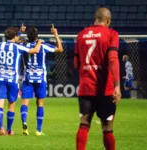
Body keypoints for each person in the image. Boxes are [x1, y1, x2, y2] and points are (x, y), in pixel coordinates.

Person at [74, 7, 121, 150]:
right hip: (105, 89)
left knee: (84, 123)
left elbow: (76, 63)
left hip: (86, 88)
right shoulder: (111, 34)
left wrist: (88, 71)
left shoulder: (81, 35)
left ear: (95, 18)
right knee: (107, 126)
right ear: (107, 20)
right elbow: (113, 59)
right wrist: (117, 85)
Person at [0, 26, 43, 135]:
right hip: (12, 80)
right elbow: (35, 50)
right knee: (11, 104)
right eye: (18, 36)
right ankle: (8, 130)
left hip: (0, 79)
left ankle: (0, 127)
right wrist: (39, 42)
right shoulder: (18, 47)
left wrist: (19, 33)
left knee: (0, 105)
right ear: (15, 36)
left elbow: (12, 40)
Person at [20, 25, 63, 136]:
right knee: (40, 103)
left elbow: (13, 42)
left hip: (27, 78)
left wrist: (19, 33)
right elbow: (60, 49)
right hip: (40, 79)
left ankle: (24, 122)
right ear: (37, 36)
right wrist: (55, 34)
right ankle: (38, 130)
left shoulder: (23, 45)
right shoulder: (42, 46)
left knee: (25, 103)